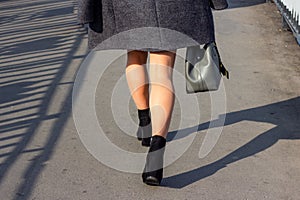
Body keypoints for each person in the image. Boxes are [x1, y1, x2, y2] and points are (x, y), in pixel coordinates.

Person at [77, 0, 228, 186]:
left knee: (135, 58)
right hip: (173, 6)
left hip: (129, 6)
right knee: (162, 71)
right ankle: (156, 152)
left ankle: (144, 121)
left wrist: (85, 10)